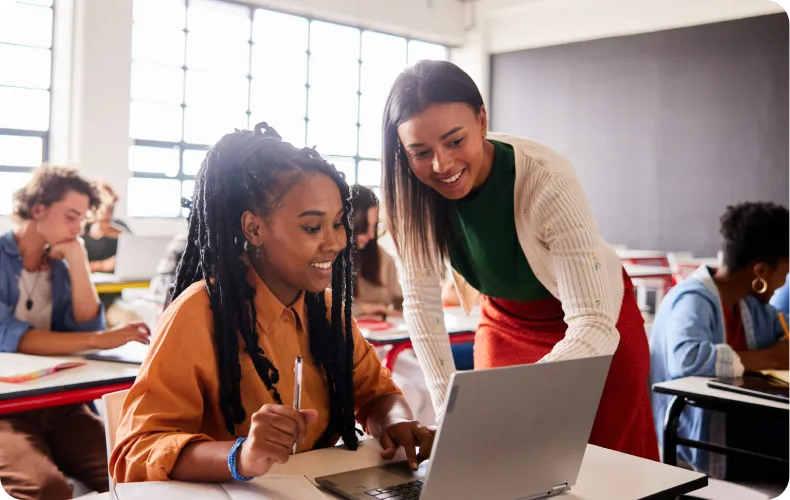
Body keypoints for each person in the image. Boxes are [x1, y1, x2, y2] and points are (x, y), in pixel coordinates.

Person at [110, 123, 434, 484]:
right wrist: (241, 455)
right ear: (254, 229)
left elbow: (378, 395)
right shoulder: (198, 312)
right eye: (312, 228)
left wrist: (397, 422)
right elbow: (136, 451)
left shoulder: (325, 309)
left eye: (339, 223)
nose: (335, 243)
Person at [381, 60, 658, 460]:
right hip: (505, 323)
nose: (441, 165)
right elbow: (423, 310)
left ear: (481, 119)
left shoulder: (547, 179)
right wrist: (446, 411)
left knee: (607, 468)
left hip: (594, 324)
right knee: (502, 461)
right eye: (421, 152)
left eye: (455, 141)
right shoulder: (410, 194)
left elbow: (592, 321)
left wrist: (524, 394)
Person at [0, 166, 151, 500]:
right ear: (39, 208)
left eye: (82, 219)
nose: (78, 227)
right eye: (71, 216)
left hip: (62, 406)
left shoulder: (60, 264)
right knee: (48, 488)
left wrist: (78, 258)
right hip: (7, 410)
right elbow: (9, 336)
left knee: (130, 473)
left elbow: (86, 325)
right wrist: (100, 341)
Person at [649, 202, 790, 482]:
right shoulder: (691, 300)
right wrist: (770, 357)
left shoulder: (754, 307)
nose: (783, 285)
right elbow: (686, 359)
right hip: (699, 443)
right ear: (760, 270)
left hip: (743, 427)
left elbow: (784, 342)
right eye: (784, 275)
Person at [349, 185, 403, 318]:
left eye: (374, 226)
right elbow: (322, 309)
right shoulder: (327, 259)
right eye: (364, 227)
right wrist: (368, 308)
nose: (371, 235)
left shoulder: (383, 257)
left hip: (382, 335)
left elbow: (401, 303)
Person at [82, 182, 131, 273]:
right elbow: (73, 267)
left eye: (111, 209)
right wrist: (102, 266)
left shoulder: (120, 227)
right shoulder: (81, 229)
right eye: (104, 208)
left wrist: (120, 233)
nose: (107, 214)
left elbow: (136, 253)